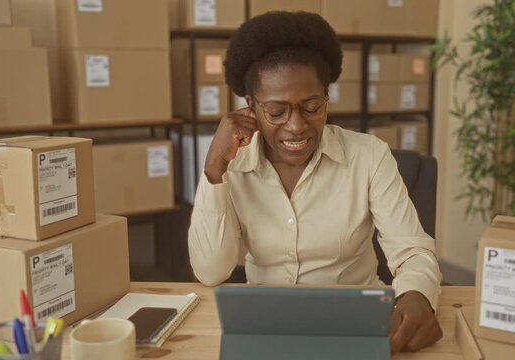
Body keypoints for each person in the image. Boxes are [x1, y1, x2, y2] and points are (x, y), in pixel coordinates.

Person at [188, 11, 443, 353]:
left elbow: (411, 249)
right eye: (276, 112)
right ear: (250, 106)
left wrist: (416, 295)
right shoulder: (233, 163)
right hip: (266, 325)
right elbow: (210, 272)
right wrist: (215, 167)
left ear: (326, 97)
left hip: (356, 322)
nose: (296, 126)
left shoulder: (368, 156)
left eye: (312, 107)